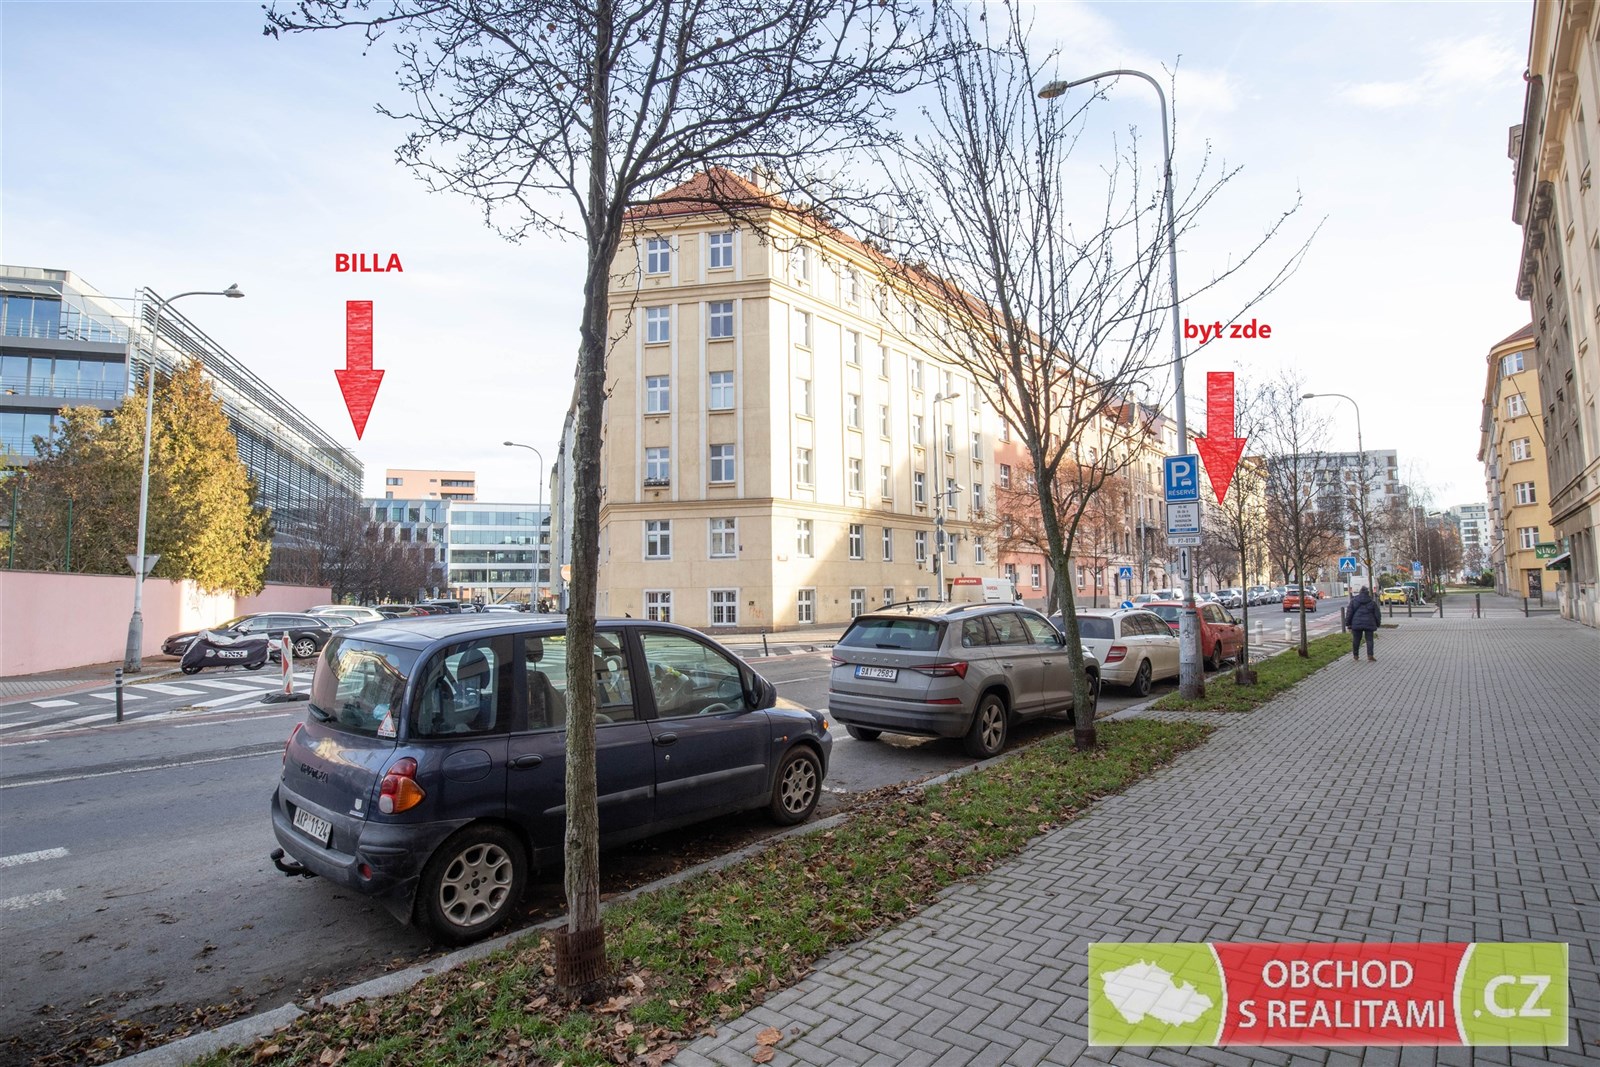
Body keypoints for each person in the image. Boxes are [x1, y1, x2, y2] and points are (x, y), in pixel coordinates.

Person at [1345, 586, 1382, 662]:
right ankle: (1370, 655)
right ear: (1367, 593)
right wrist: (1378, 623)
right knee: (1369, 640)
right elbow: (1377, 614)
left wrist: (1348, 623)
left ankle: (1356, 656)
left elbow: (1349, 613)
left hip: (1356, 623)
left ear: (1360, 592)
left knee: (1356, 640)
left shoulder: (1354, 601)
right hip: (1369, 623)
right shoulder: (1372, 602)